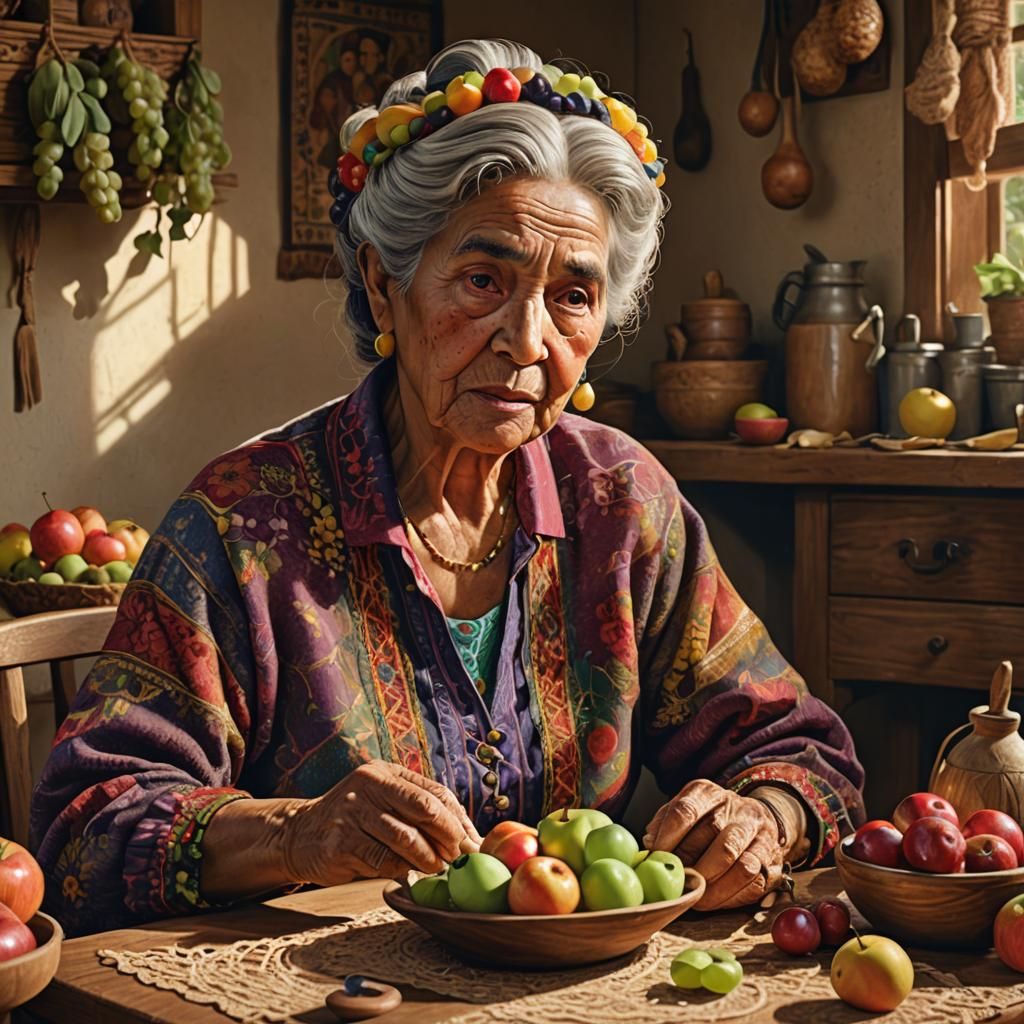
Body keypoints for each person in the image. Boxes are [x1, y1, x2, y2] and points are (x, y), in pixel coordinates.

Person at [31, 38, 864, 937]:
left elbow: (804, 754)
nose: (527, 339)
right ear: (385, 290)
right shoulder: (241, 524)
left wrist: (765, 817)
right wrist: (298, 834)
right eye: (482, 281)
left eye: (573, 296)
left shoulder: (621, 501)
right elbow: (84, 834)